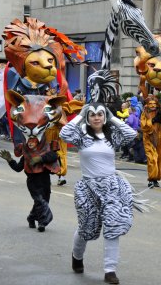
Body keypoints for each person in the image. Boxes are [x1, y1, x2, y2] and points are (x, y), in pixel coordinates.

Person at [59, 103, 140, 284]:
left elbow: (131, 134)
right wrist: (80, 115)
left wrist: (112, 117)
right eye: (92, 114)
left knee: (113, 227)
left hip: (111, 187)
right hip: (88, 187)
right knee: (86, 227)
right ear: (88, 118)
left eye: (100, 114)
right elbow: (63, 134)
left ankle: (110, 270)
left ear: (104, 117)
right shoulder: (81, 136)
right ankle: (77, 256)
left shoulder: (111, 136)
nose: (96, 117)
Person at [0, 139, 59, 232]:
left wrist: (40, 158)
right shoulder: (26, 155)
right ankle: (42, 222)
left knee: (44, 201)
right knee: (40, 201)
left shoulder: (44, 151)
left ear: (37, 143)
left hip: (45, 180)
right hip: (32, 181)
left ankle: (31, 217)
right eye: (29, 141)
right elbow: (18, 168)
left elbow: (54, 156)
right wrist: (10, 160)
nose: (30, 143)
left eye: (33, 141)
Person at [140, 95, 161, 188]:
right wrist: (153, 120)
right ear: (147, 105)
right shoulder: (145, 114)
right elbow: (144, 127)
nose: (152, 105)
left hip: (160, 138)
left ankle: (156, 179)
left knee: (160, 160)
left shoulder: (160, 112)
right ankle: (151, 179)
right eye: (150, 103)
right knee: (152, 158)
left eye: (154, 103)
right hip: (149, 138)